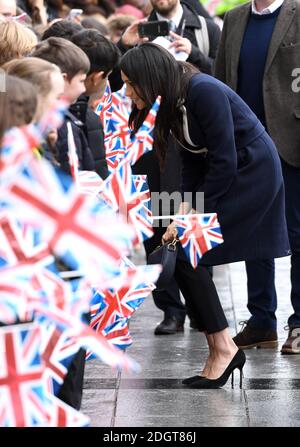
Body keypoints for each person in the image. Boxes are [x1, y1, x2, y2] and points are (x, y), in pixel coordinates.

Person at [119, 43, 290, 388]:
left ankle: (223, 348)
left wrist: (191, 215)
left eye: (129, 82)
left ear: (149, 78)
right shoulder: (170, 99)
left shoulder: (203, 91)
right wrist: (183, 207)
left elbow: (224, 160)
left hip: (250, 174)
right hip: (225, 173)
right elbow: (193, 161)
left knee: (187, 251)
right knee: (181, 249)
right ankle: (218, 347)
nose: (126, 91)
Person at [118, 0, 221, 335]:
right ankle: (170, 307)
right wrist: (126, 44)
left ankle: (199, 306)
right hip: (152, 144)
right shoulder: (141, 29)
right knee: (157, 223)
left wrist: (194, 54)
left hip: (185, 143)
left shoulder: (202, 25)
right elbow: (119, 78)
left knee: (186, 221)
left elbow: (220, 71)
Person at [214, 0, 300, 354]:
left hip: (291, 142)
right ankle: (262, 320)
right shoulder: (233, 19)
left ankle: (299, 324)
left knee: (297, 234)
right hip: (247, 147)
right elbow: (221, 80)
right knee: (256, 235)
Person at [32, 36, 96, 174]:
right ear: (62, 79)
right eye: (81, 81)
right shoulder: (59, 125)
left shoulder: (69, 119)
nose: (83, 89)